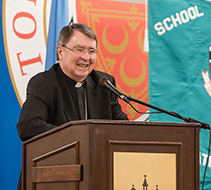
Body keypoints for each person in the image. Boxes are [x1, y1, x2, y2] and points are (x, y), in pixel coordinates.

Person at [17, 23, 128, 189]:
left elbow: (123, 127)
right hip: (53, 176)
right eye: (79, 49)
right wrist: (79, 138)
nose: (86, 57)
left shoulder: (104, 83)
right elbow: (28, 126)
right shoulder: (43, 83)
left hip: (96, 176)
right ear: (61, 52)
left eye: (91, 51)